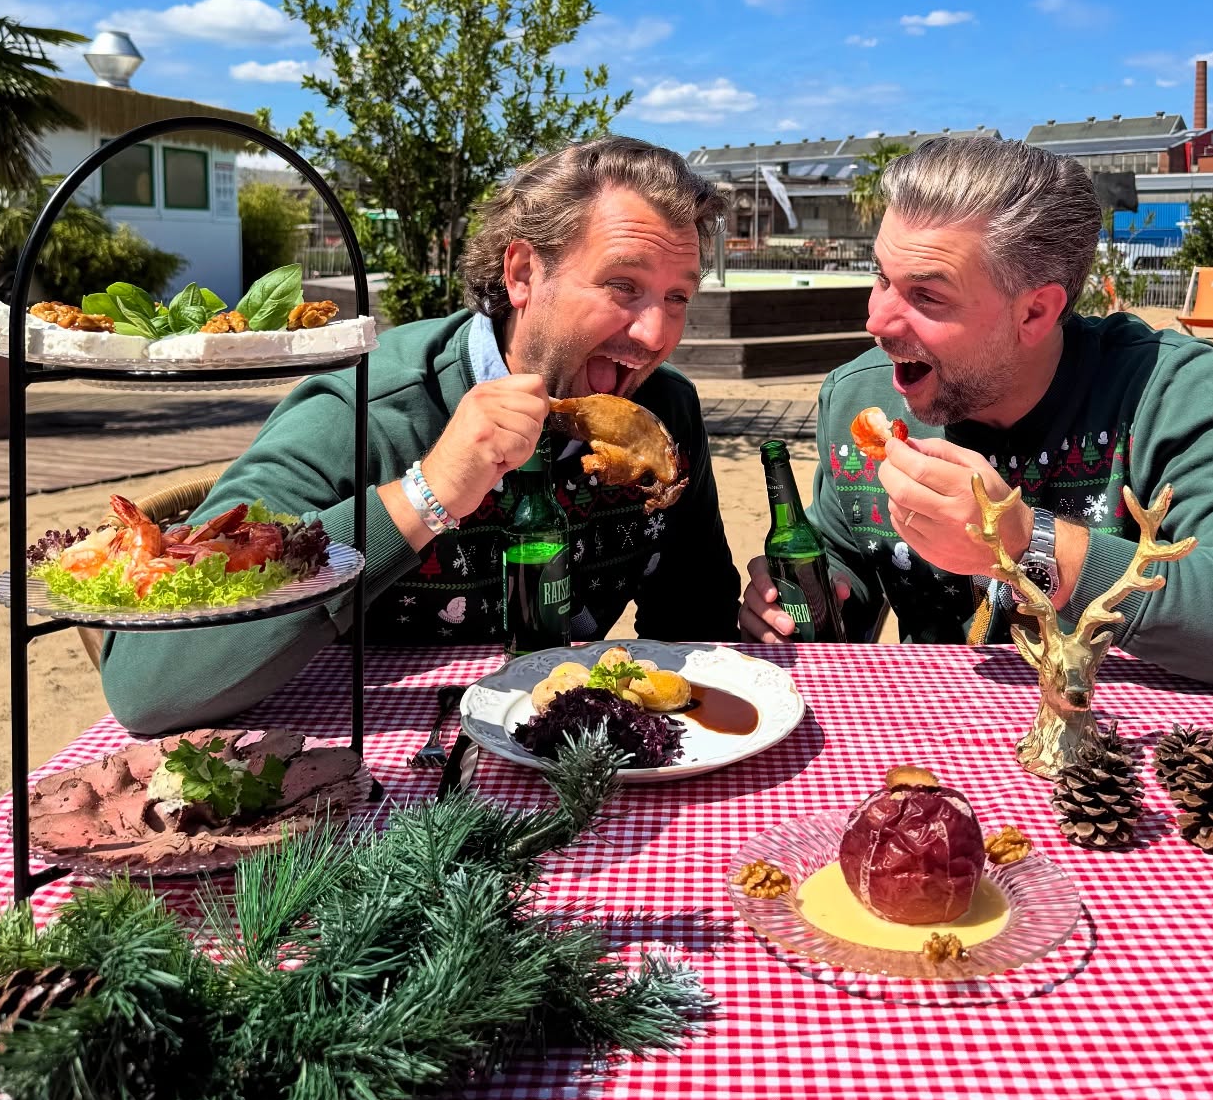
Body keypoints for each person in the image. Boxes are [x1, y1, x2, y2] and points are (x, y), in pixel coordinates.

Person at [101, 139, 738, 735]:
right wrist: (424, 496)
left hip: (574, 760)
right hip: (359, 788)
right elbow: (148, 684)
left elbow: (694, 620)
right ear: (521, 274)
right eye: (623, 286)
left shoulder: (663, 414)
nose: (656, 335)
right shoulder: (364, 412)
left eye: (677, 297)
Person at [741, 134, 1213, 694]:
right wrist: (802, 596)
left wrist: (1024, 542)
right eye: (882, 278)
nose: (876, 322)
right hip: (932, 762)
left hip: (1122, 766)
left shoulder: (1168, 393)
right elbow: (852, 567)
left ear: (1035, 313)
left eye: (926, 295)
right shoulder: (860, 400)